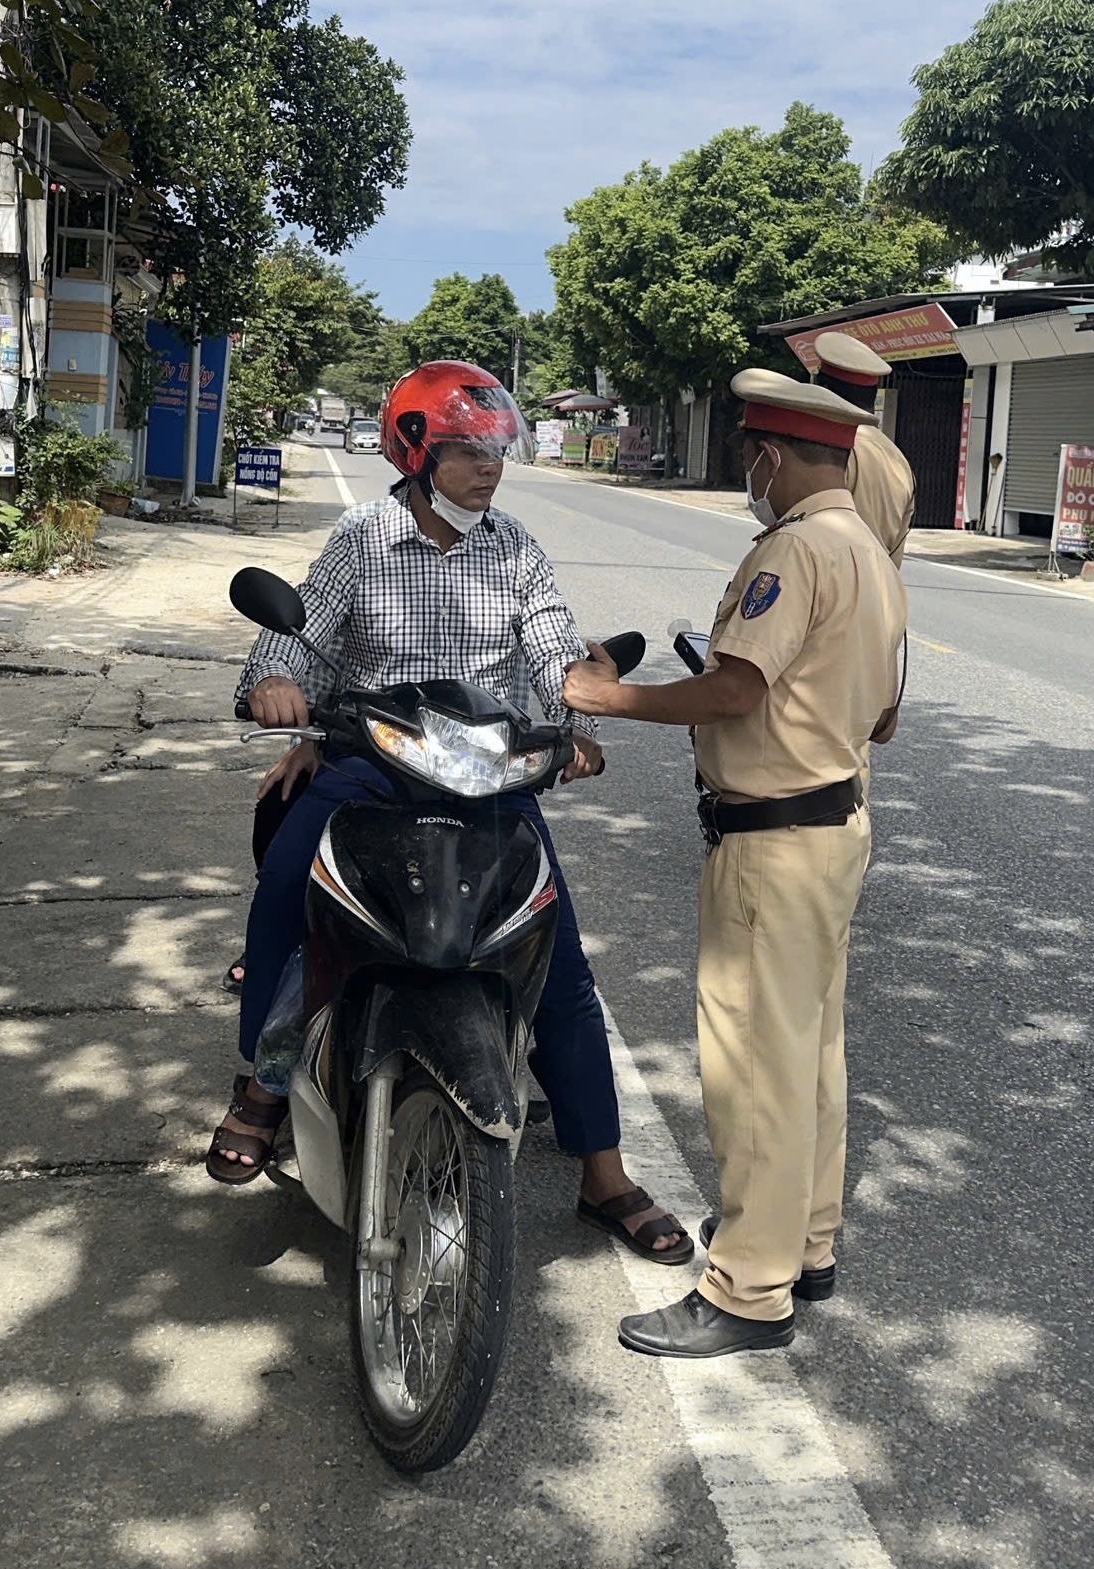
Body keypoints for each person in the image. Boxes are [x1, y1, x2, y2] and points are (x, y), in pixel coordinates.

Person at [206, 359, 693, 1264]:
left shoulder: (514, 549)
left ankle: (605, 1171)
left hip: (489, 777)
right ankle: (265, 1085)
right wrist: (277, 683)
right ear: (417, 448)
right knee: (286, 892)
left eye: (495, 451)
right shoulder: (362, 538)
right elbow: (301, 632)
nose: (488, 468)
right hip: (374, 767)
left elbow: (553, 646)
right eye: (468, 450)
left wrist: (573, 720)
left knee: (561, 960)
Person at [562, 373, 907, 1356]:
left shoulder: (796, 551)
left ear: (773, 455)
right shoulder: (874, 559)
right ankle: (806, 1242)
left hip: (771, 840)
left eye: (751, 455)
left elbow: (732, 692)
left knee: (754, 1062)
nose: (749, 473)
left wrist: (606, 697)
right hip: (833, 827)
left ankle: (749, 1288)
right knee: (811, 1052)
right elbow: (883, 713)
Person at [812, 332, 915, 567]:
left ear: (822, 389)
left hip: (830, 586)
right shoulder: (898, 459)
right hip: (880, 592)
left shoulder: (826, 448)